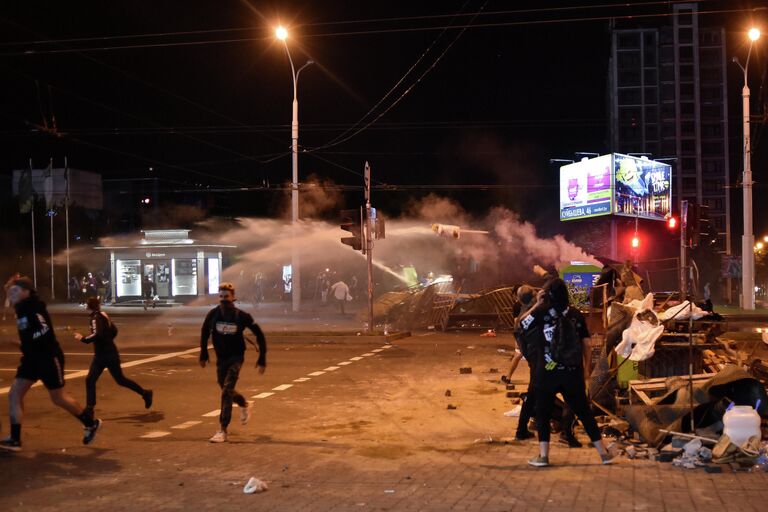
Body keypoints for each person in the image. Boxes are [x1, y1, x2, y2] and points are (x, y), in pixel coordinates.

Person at [518, 278, 616, 467]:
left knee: (544, 414)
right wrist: (586, 369)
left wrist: (538, 303)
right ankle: (603, 453)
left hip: (546, 372)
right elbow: (587, 344)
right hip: (572, 373)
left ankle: (543, 456)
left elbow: (521, 325)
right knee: (584, 413)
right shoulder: (575, 315)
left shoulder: (542, 313)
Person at [0, 277, 101, 451]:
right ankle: (14, 440)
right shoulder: (21, 309)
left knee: (58, 397)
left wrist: (27, 342)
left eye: (15, 290)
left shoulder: (34, 307)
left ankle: (90, 423)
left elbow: (44, 330)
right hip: (31, 359)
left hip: (48, 357)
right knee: (14, 395)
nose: (11, 293)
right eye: (9, 291)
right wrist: (20, 344)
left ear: (26, 291)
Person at [513, 285, 581, 447]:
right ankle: (565, 433)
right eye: (536, 292)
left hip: (537, 361)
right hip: (546, 362)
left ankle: (523, 430)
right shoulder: (536, 315)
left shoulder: (524, 316)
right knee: (569, 393)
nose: (539, 293)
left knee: (534, 395)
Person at [200, 282, 267, 443]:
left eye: (227, 297)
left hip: (236, 358)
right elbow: (204, 332)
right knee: (225, 388)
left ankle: (222, 430)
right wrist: (203, 353)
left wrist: (262, 357)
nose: (224, 300)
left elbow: (259, 334)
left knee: (226, 390)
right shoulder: (213, 315)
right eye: (221, 297)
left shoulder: (241, 316)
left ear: (233, 297)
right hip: (221, 358)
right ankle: (244, 404)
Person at [74, 297, 153, 416]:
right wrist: (108, 341)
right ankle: (90, 408)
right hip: (107, 353)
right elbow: (114, 331)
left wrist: (83, 338)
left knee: (109, 380)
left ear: (88, 306)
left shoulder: (95, 318)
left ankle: (145, 393)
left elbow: (97, 334)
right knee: (95, 379)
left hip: (104, 355)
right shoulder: (103, 315)